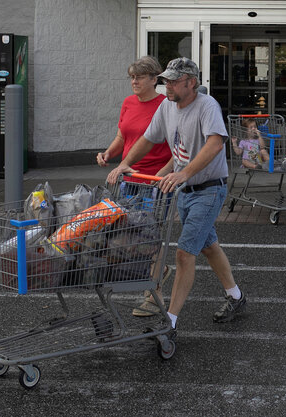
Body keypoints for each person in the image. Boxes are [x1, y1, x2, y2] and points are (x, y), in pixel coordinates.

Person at [108, 57, 246, 332]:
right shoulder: (167, 107)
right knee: (207, 245)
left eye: (173, 81)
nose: (167, 86)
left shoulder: (206, 106)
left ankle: (169, 321)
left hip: (208, 189)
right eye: (166, 80)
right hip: (183, 192)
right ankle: (236, 297)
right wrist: (126, 163)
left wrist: (184, 173)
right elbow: (149, 138)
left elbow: (216, 144)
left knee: (184, 254)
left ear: (191, 82)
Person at [96, 56, 174, 317]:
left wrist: (164, 176)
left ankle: (154, 295)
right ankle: (156, 273)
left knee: (152, 237)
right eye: (132, 77)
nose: (134, 81)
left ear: (155, 79)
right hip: (128, 181)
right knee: (129, 236)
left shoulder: (166, 105)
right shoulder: (128, 103)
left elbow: (179, 146)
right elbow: (122, 135)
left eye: (140, 76)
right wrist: (108, 154)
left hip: (154, 182)